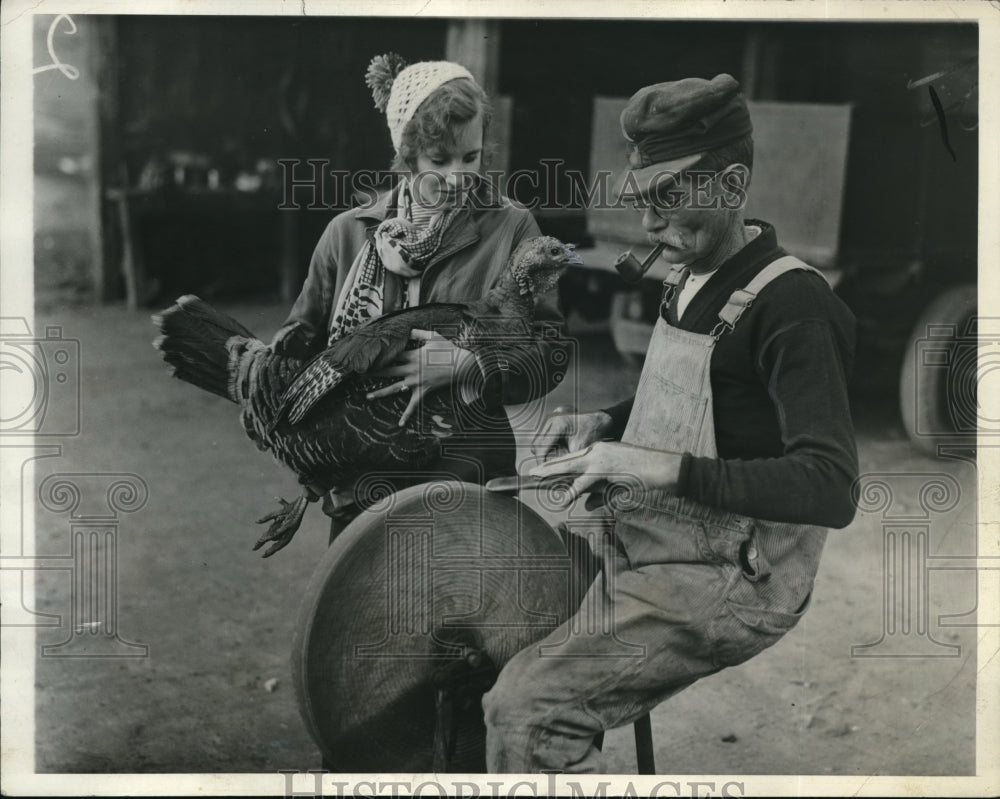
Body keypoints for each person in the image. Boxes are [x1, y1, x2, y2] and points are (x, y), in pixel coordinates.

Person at [481, 74, 859, 773]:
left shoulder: (794, 307)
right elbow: (706, 397)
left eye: (668, 199)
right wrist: (607, 422)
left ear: (732, 182)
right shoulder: (687, 276)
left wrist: (650, 464)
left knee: (525, 706)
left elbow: (833, 485)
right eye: (642, 200)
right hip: (663, 537)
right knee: (498, 631)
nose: (648, 225)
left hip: (740, 575)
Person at [271, 54, 567, 533]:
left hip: (465, 468)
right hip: (364, 473)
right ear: (407, 155)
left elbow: (551, 351)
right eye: (439, 160)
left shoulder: (512, 229)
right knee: (364, 603)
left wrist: (473, 363)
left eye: (470, 158)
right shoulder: (348, 234)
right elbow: (298, 346)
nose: (458, 177)